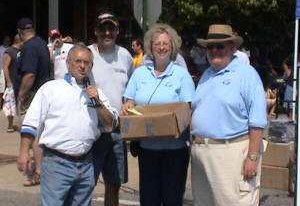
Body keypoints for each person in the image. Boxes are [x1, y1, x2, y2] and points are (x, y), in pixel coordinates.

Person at [17, 43, 118, 206]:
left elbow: (110, 125)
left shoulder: (96, 93)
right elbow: (31, 123)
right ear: (68, 63)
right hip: (57, 163)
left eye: (86, 62)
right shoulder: (51, 89)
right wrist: (23, 152)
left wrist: (97, 102)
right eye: (78, 61)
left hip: (85, 164)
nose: (82, 66)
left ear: (91, 66)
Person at [191, 24, 267, 206]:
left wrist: (252, 157)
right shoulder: (206, 75)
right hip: (201, 155)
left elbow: (257, 121)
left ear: (232, 48)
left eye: (220, 46)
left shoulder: (247, 74)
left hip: (231, 155)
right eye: (210, 46)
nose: (214, 51)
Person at [121, 23, 195, 206]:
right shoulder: (139, 74)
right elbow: (128, 100)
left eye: (165, 44)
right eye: (157, 44)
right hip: (147, 150)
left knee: (172, 200)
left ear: (172, 47)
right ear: (150, 48)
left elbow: (188, 109)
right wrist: (128, 105)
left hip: (175, 151)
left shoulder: (181, 75)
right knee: (149, 200)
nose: (161, 48)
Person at [88, 12, 134, 206]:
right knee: (86, 183)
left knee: (114, 184)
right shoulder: (86, 55)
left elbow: (131, 90)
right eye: (102, 28)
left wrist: (129, 102)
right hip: (92, 132)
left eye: (111, 29)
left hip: (117, 131)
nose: (107, 33)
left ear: (117, 31)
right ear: (95, 31)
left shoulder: (125, 56)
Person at [15, 17, 50, 186]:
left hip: (33, 94)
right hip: (42, 92)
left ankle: (38, 172)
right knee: (38, 133)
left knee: (32, 134)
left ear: (21, 32)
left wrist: (21, 95)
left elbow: (29, 74)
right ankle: (39, 169)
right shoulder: (41, 43)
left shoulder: (29, 47)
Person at [2, 34, 23, 132]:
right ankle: (10, 125)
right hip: (12, 81)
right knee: (10, 104)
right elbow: (5, 67)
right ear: (20, 41)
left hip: (22, 81)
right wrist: (9, 81)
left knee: (21, 104)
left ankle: (20, 124)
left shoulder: (22, 52)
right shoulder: (9, 52)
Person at [0, 35, 11, 108]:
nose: (7, 42)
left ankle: (6, 105)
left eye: (8, 41)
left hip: (9, 72)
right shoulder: (0, 49)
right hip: (1, 71)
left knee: (8, 90)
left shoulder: (11, 49)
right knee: (1, 90)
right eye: (6, 40)